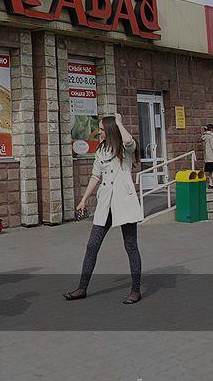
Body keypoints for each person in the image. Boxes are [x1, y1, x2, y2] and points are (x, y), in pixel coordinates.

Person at [63, 113, 143, 304]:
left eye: (101, 129)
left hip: (123, 202)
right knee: (92, 245)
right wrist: (83, 200)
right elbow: (95, 176)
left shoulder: (124, 148)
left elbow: (129, 141)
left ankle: (136, 290)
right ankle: (82, 288)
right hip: (105, 203)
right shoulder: (101, 150)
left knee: (130, 246)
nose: (98, 131)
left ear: (110, 130)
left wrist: (119, 123)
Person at [201, 124, 213, 189]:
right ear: (211, 129)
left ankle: (210, 184)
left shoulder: (204, 137)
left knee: (209, 171)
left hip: (207, 157)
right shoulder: (212, 137)